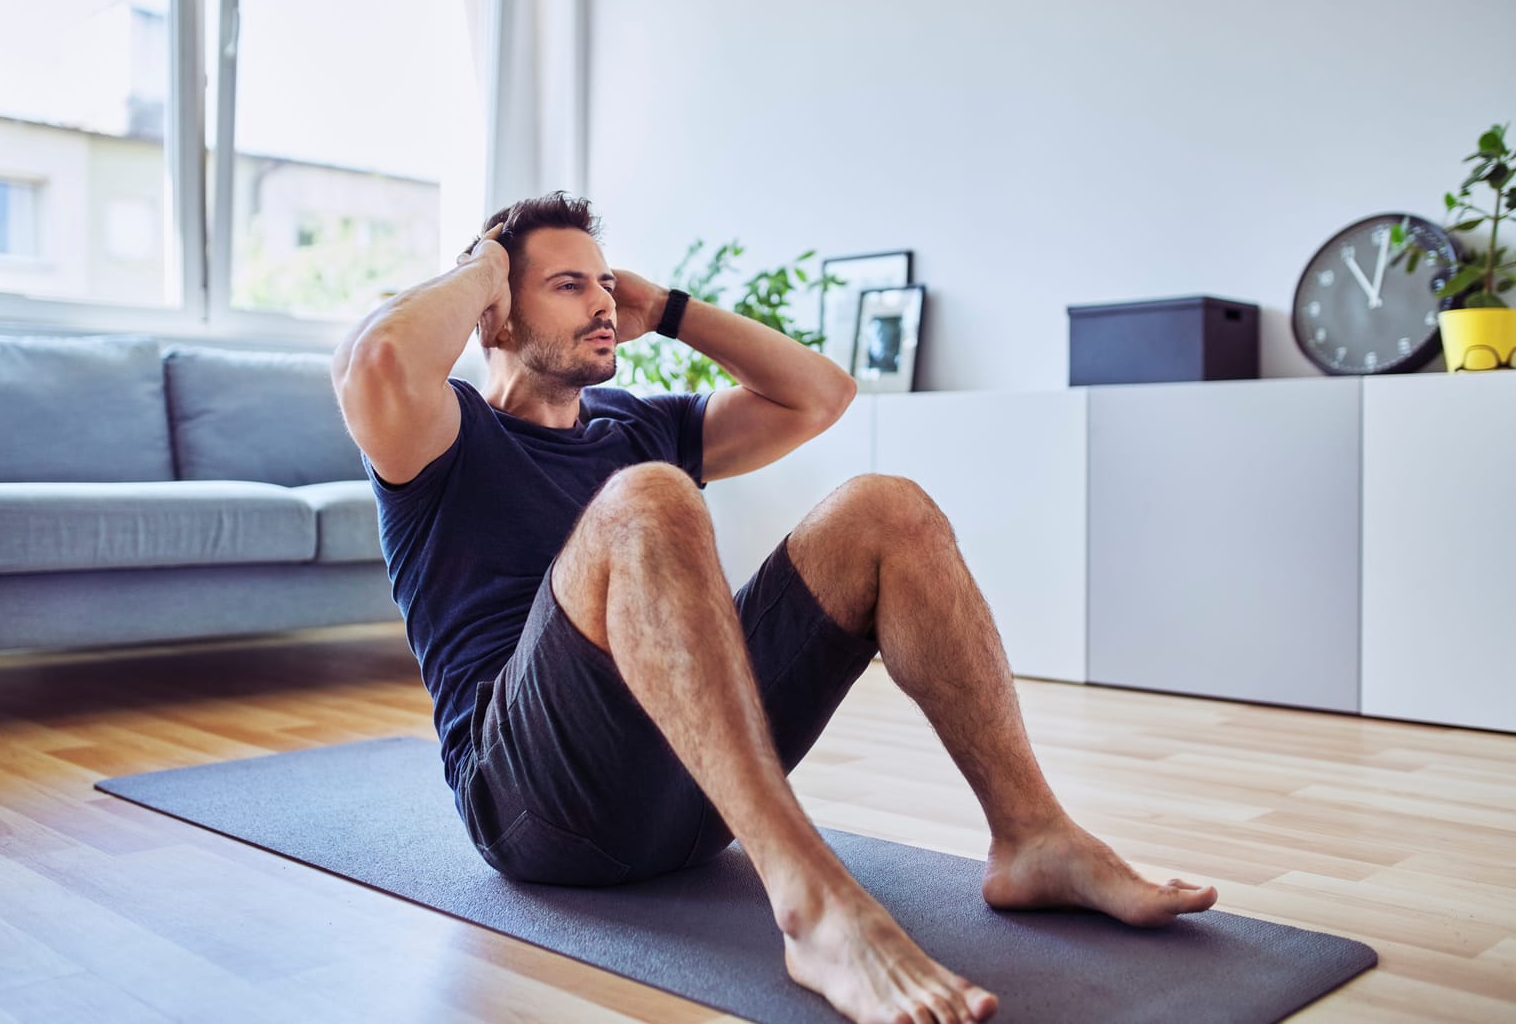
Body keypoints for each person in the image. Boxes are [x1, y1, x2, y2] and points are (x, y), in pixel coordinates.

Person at [331, 192, 1217, 1024]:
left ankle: (1033, 837)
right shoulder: (441, 434)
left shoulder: (634, 424)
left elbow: (820, 395)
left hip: (692, 794)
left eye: (606, 282)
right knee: (650, 498)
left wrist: (668, 307)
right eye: (569, 285)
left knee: (886, 509)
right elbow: (375, 359)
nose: (602, 303)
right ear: (498, 313)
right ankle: (809, 904)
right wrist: (485, 266)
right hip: (537, 808)